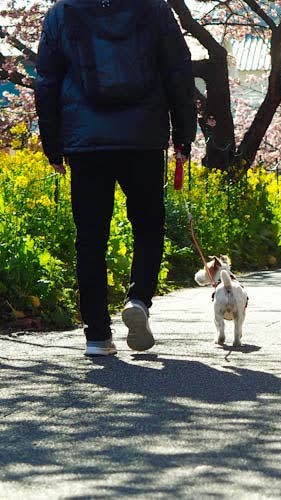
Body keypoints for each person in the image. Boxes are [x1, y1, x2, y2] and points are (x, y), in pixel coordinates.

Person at [35, 0, 197, 357]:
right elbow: (177, 70)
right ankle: (138, 299)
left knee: (90, 237)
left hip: (86, 140)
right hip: (143, 136)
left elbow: (46, 81)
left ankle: (96, 335)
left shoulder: (63, 12)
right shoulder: (154, 8)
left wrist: (53, 145)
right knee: (148, 226)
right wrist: (184, 134)